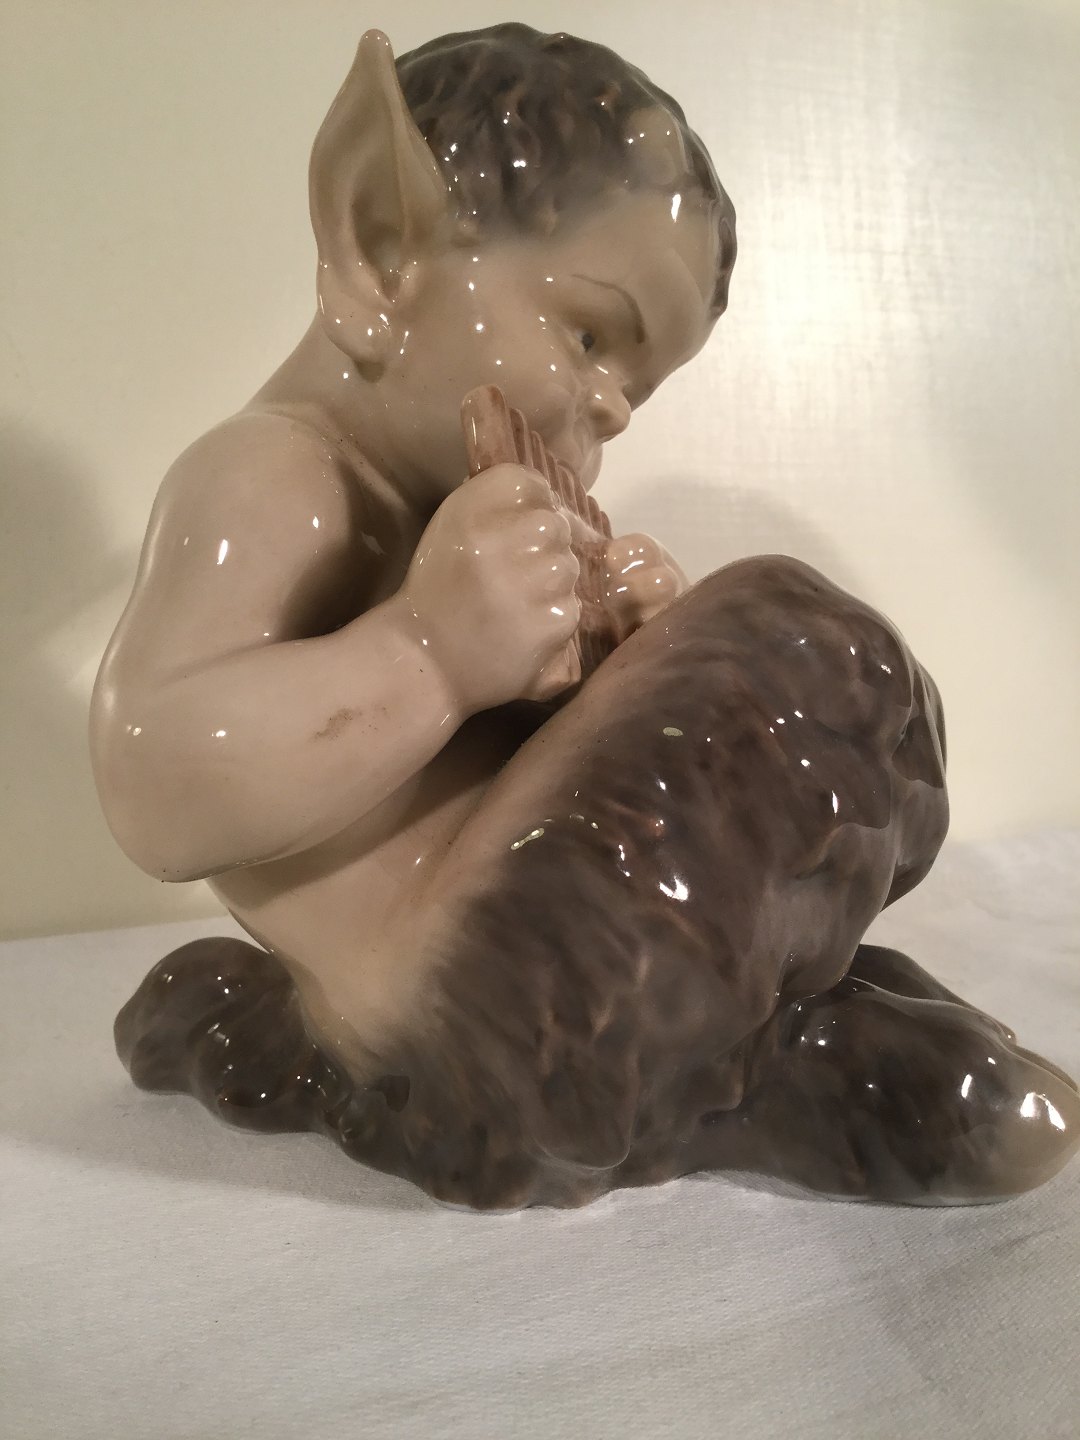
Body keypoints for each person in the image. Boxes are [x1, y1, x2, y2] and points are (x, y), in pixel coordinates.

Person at [97, 25, 1078, 1210]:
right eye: (588, 333)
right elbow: (150, 780)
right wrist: (428, 654)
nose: (609, 407)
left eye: (638, 388)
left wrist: (620, 666)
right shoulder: (273, 480)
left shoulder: (447, 503)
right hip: (470, 1003)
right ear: (380, 243)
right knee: (798, 646)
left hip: (539, 983)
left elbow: (487, 768)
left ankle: (780, 1041)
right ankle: (788, 1084)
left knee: (778, 659)